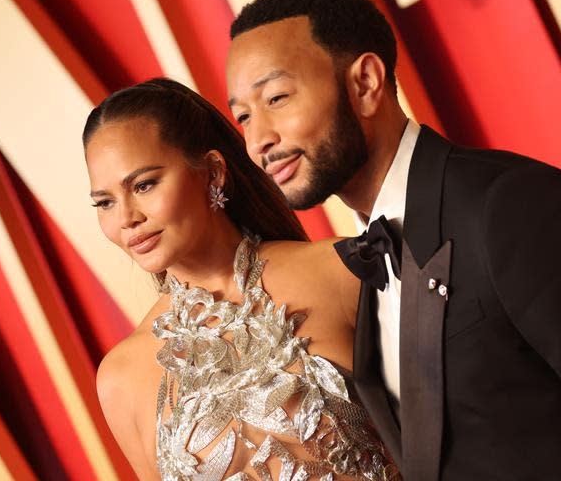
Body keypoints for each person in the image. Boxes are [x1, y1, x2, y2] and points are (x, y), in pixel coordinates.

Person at [225, 0, 561, 480]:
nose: (259, 141)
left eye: (276, 99)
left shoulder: (514, 207)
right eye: (244, 117)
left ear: (365, 83)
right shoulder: (356, 270)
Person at [85, 78, 399, 480]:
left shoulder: (340, 271)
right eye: (105, 203)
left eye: (144, 185)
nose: (127, 218)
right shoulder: (122, 377)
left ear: (213, 172)